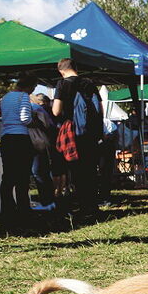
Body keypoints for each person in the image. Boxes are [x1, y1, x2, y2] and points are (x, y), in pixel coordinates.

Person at [53, 58, 103, 221]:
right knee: (90, 169)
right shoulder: (89, 83)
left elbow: (56, 111)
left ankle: (81, 206)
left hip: (73, 132)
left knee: (75, 170)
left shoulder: (62, 84)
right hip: (91, 133)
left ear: (61, 71)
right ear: (76, 68)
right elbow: (100, 109)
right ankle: (92, 206)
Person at [0, 74, 39, 226]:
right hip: (20, 138)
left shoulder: (6, 97)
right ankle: (23, 210)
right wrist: (33, 120)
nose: (32, 91)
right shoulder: (23, 96)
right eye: (33, 88)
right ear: (28, 86)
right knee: (22, 177)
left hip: (7, 137)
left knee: (8, 176)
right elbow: (24, 118)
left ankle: (7, 210)